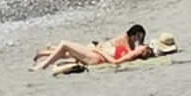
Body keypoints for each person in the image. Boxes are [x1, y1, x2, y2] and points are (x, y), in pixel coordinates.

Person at [32, 25, 163, 72]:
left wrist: (99, 51)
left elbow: (115, 62)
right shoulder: (129, 45)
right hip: (97, 52)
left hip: (97, 56)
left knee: (65, 46)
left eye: (146, 48)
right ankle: (44, 58)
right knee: (66, 50)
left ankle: (43, 65)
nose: (142, 43)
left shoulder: (133, 51)